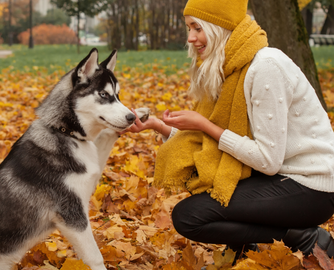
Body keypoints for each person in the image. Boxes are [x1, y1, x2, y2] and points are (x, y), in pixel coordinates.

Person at [126, 0, 334, 263]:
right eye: (189, 28)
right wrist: (158, 125)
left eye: (197, 28)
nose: (190, 37)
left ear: (218, 27)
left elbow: (267, 161)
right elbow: (212, 148)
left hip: (311, 187)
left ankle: (302, 237)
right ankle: (246, 251)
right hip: (278, 178)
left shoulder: (265, 67)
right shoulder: (231, 66)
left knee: (189, 216)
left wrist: (204, 124)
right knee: (209, 174)